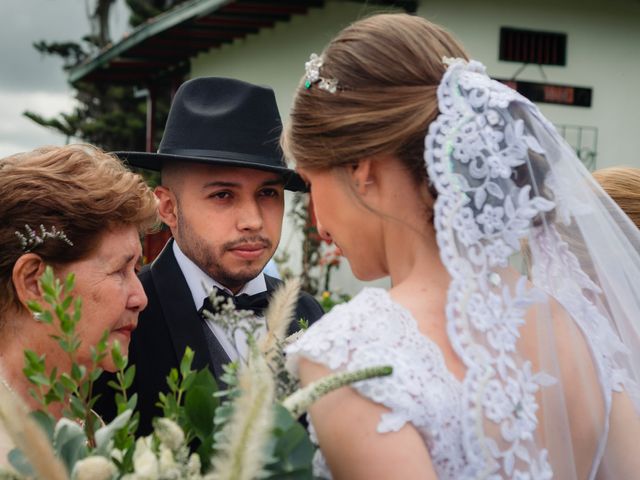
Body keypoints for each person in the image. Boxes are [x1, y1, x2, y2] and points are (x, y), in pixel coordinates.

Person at [283, 13, 640, 480]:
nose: (318, 222)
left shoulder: (351, 352)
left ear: (361, 169)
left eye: (311, 182)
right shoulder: (584, 330)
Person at [94, 77, 324, 435]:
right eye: (223, 196)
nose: (252, 221)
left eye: (268, 193)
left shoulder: (308, 314)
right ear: (168, 208)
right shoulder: (123, 322)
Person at [0, 144, 158, 462]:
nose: (141, 298)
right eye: (119, 270)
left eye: (137, 270)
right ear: (35, 283)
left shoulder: (85, 422)